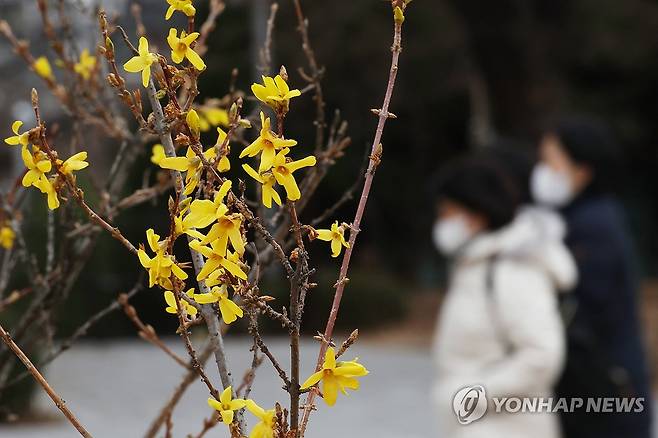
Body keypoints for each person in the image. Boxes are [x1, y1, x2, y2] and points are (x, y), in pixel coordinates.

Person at [431, 157, 577, 438]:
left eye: (448, 211)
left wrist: (472, 396)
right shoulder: (477, 264)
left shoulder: (512, 271)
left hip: (507, 427)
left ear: (477, 214)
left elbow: (543, 355)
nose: (442, 222)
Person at [532, 116, 653, 438]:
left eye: (550, 161)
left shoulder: (592, 225)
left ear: (582, 170)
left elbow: (581, 306)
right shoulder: (578, 216)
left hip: (606, 392)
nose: (541, 171)